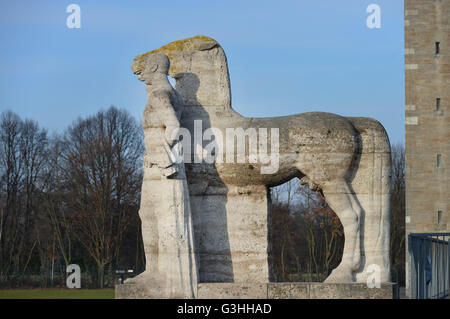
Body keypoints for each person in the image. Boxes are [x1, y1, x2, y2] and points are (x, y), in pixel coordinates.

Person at [126, 53, 197, 298]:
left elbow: (174, 127)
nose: (140, 75)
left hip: (160, 167)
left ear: (155, 66)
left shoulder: (159, 95)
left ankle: (155, 270)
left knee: (150, 215)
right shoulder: (173, 94)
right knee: (153, 216)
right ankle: (156, 269)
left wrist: (161, 152)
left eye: (143, 69)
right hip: (167, 168)